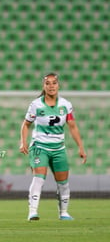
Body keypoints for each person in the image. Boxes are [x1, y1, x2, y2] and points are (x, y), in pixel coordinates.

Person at [19, 73, 87, 221]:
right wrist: (23, 142)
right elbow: (26, 124)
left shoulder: (66, 105)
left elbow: (73, 127)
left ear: (58, 85)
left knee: (63, 182)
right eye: (48, 83)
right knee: (39, 178)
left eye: (54, 83)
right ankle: (32, 212)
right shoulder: (36, 104)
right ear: (43, 86)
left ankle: (63, 213)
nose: (51, 86)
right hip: (40, 146)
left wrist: (81, 147)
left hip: (58, 149)